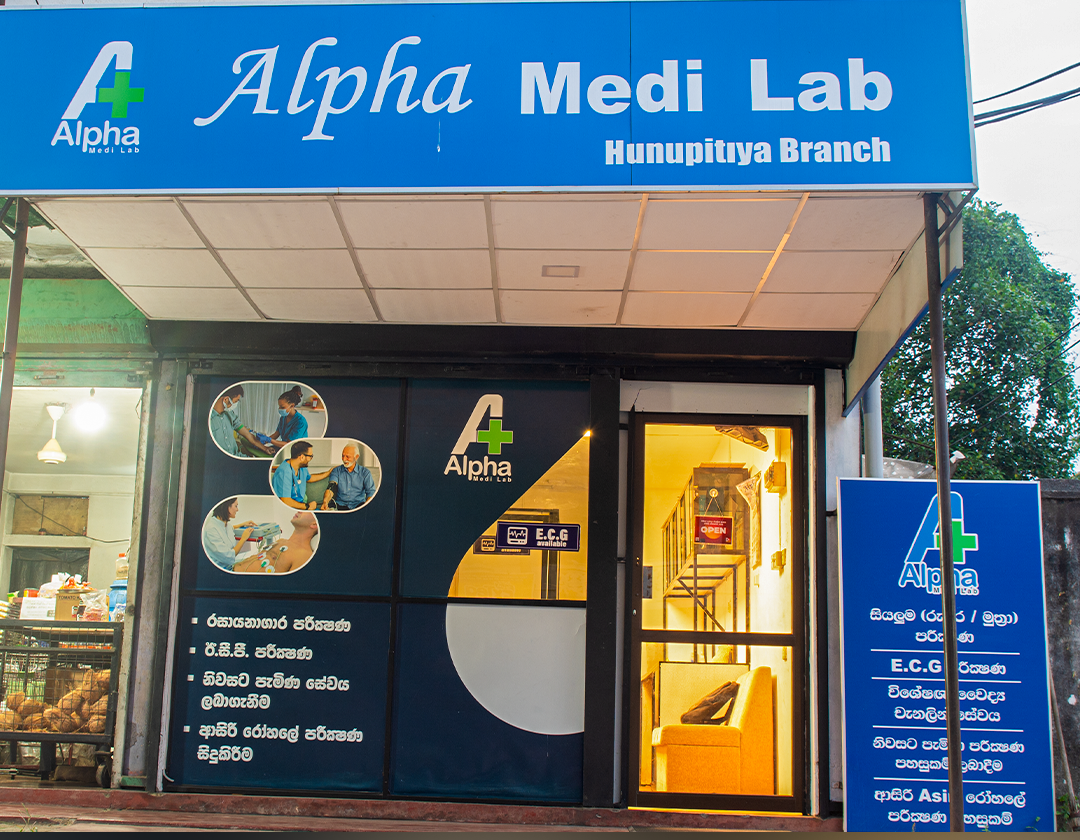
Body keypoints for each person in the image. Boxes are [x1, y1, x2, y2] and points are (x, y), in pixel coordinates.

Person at [234, 510, 319, 574]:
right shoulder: (281, 541)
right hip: (231, 569)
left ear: (314, 524)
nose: (299, 511)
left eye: (306, 511)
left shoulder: (304, 555)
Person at [209, 385, 273, 457]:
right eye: (235, 401)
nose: (235, 404)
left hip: (237, 456)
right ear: (226, 399)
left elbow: (248, 435)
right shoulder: (209, 420)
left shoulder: (230, 414)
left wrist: (265, 448)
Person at [271, 440, 333, 510]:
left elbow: (309, 478)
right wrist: (307, 506)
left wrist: (328, 473)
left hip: (301, 506)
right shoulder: (284, 472)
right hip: (289, 509)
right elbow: (285, 500)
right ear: (302, 457)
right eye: (311, 456)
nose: (311, 459)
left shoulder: (302, 467)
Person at [203, 498, 259, 571]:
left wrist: (242, 524)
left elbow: (226, 528)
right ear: (227, 507)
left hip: (229, 566)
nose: (237, 509)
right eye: (236, 506)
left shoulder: (225, 524)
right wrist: (243, 539)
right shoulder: (211, 529)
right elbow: (228, 556)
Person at [321, 443, 377, 511]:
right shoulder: (336, 470)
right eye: (343, 456)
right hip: (340, 505)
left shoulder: (365, 472)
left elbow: (371, 492)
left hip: (359, 505)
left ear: (356, 457)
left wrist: (366, 508)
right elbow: (331, 488)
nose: (344, 459)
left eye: (347, 456)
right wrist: (325, 501)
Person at [267, 386, 309, 452]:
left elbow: (289, 444)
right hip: (285, 447)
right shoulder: (283, 417)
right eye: (279, 406)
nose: (279, 409)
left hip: (297, 451)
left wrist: (269, 440)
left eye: (282, 407)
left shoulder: (300, 422)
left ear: (292, 405)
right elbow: (276, 433)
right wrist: (264, 440)